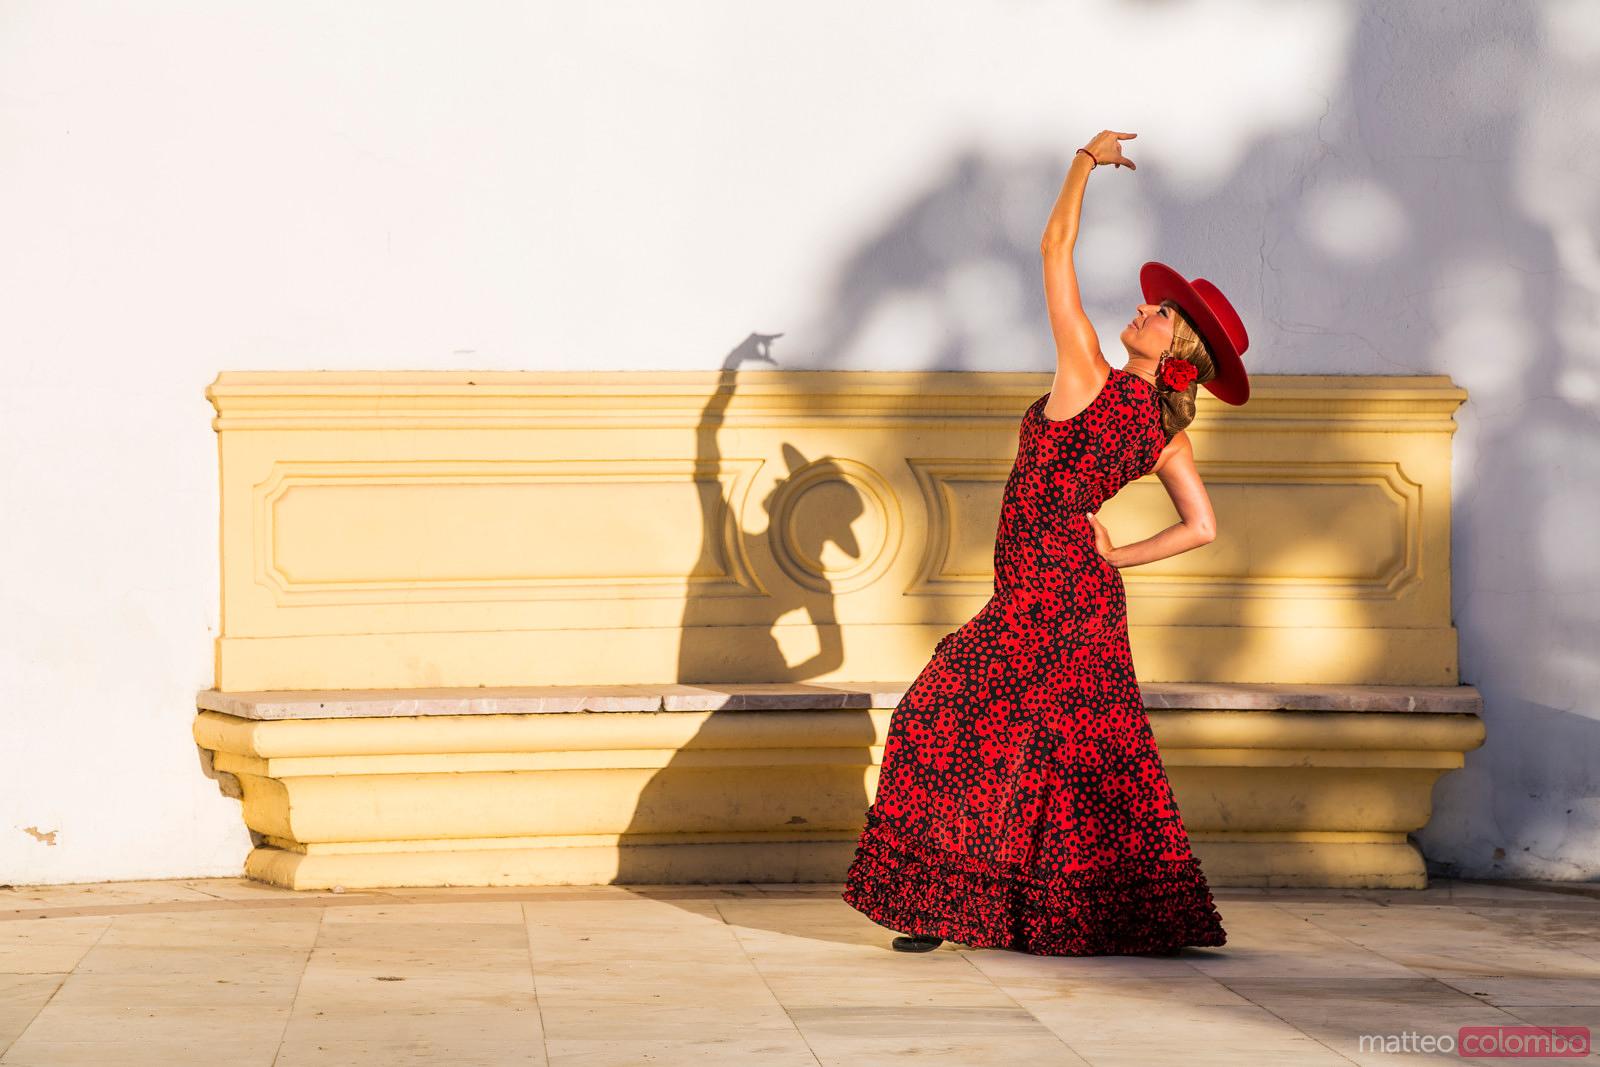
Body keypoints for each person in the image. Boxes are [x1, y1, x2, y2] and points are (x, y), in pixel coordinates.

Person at [840, 129, 1250, 955]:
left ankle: (940, 905)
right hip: (1081, 599)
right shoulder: (1165, 435)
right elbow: (1202, 526)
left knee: (940, 719)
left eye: (1160, 312)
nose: (1143, 308)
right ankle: (1100, 912)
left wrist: (1084, 161)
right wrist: (1115, 558)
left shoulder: (1086, 371)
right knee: (1071, 760)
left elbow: (1053, 246)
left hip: (1041, 599)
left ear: (1176, 346)